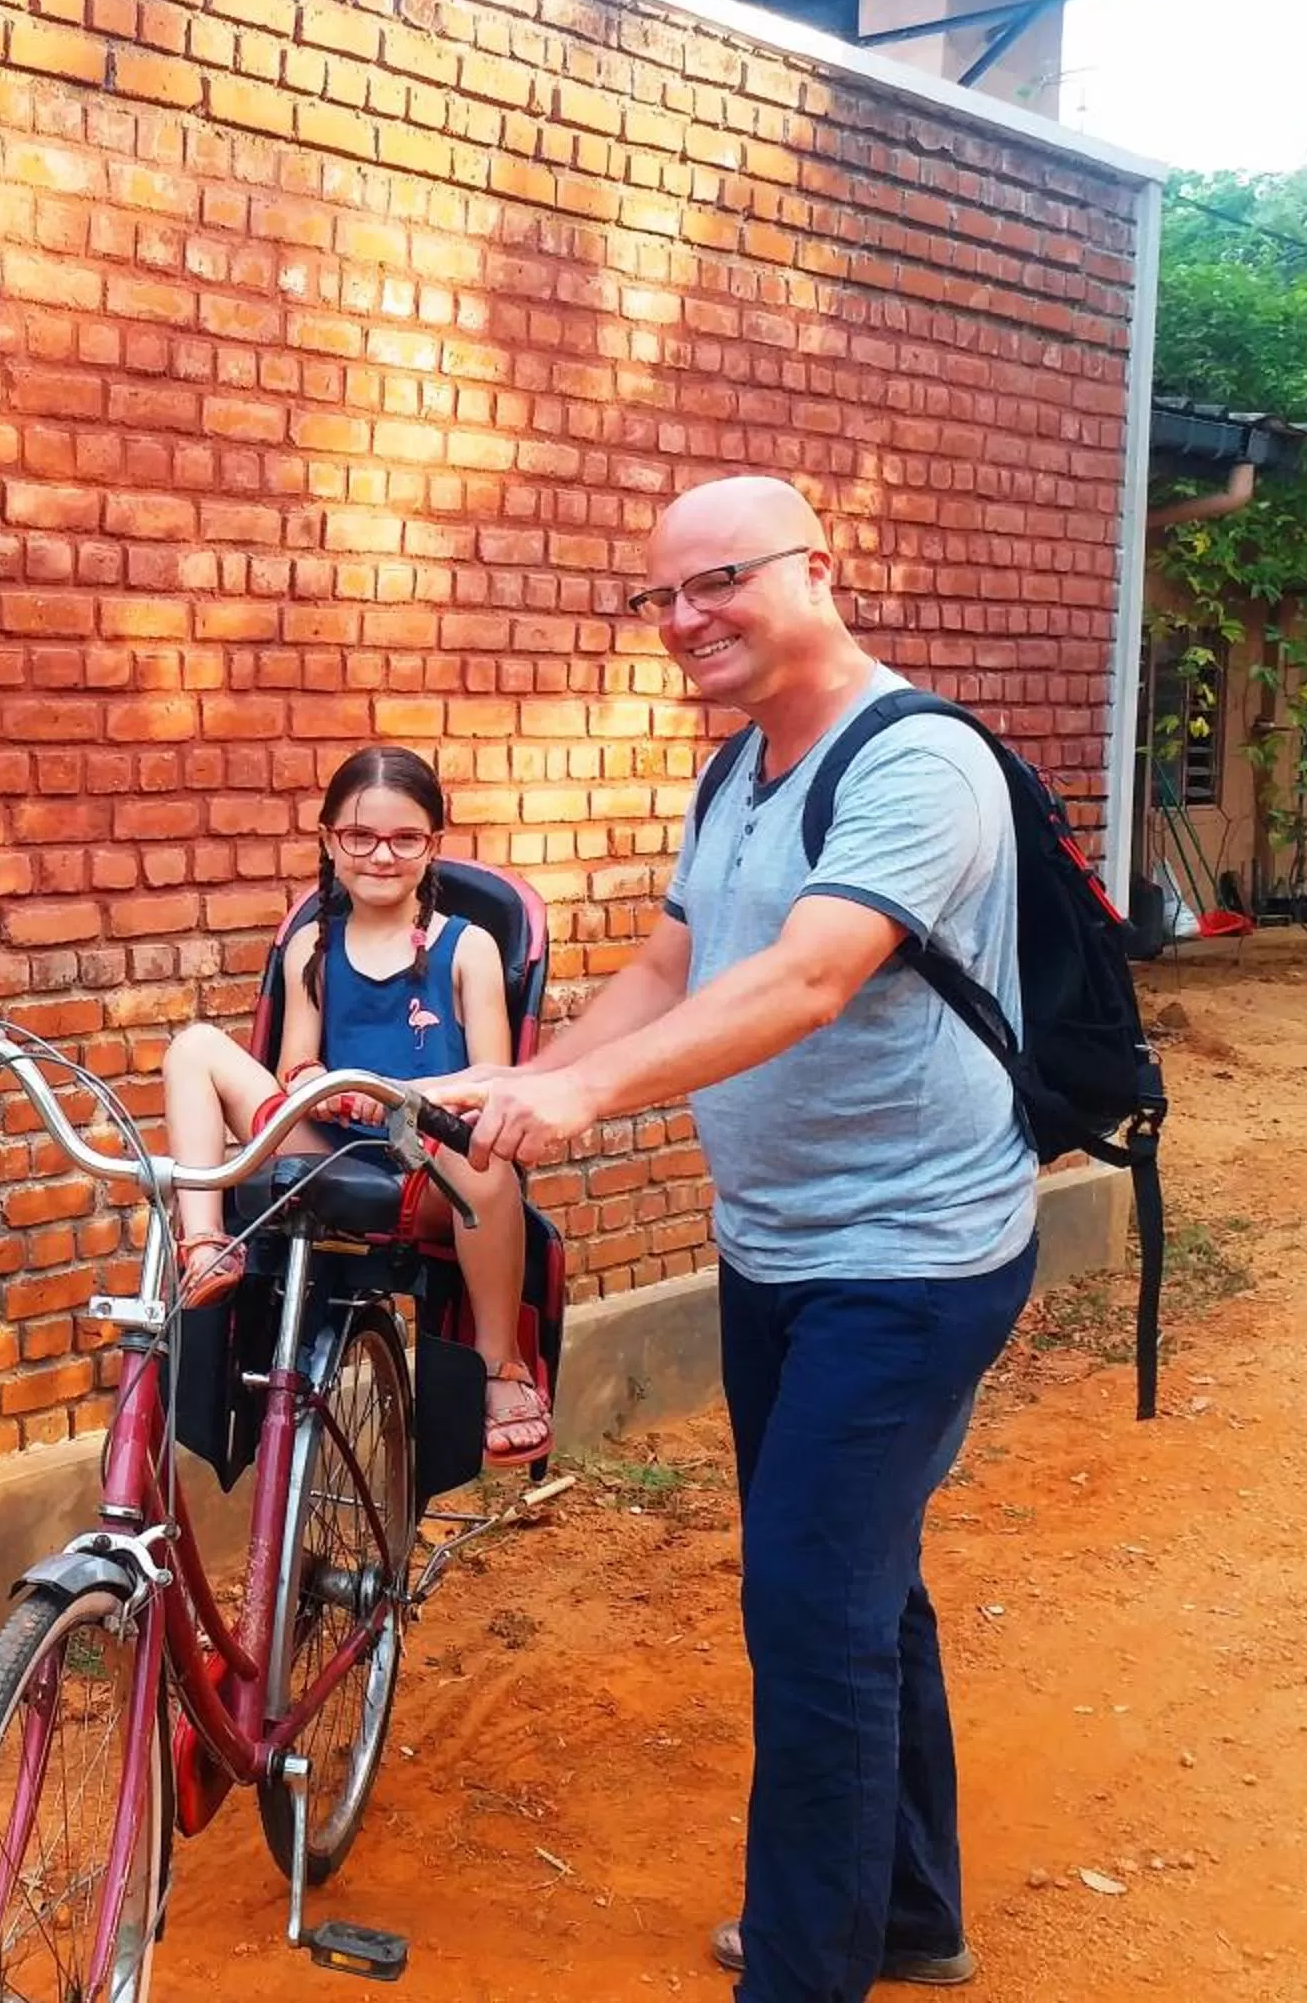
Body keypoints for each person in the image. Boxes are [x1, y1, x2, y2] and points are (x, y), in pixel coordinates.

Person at [416, 475, 1035, 2003]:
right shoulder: (740, 769)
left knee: (811, 1607)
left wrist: (590, 1096)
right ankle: (909, 1910)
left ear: (820, 568)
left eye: (721, 581)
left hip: (911, 1258)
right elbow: (672, 964)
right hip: (780, 1250)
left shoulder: (920, 760)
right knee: (855, 1582)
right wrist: (523, 1077)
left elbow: (812, 976)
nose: (686, 618)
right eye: (663, 595)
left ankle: (809, 1970)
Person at [161, 744, 550, 1466]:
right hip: (325, 1149)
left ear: (432, 845)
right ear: (329, 841)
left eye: (405, 838)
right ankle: (207, 1245)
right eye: (360, 837)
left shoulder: (467, 948)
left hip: (427, 1169)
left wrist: (400, 1096)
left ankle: (500, 1366)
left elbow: (493, 1077)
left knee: (485, 1163)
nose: (381, 856)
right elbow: (294, 1066)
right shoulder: (312, 945)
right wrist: (324, 1083)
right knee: (194, 1047)